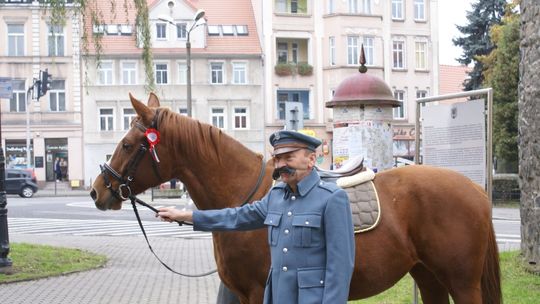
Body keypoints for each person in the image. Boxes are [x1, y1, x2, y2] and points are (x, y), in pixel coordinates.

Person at [157, 130, 355, 304]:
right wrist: (186, 216)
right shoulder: (276, 196)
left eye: (288, 157)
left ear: (311, 159)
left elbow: (340, 267)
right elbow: (236, 217)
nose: (281, 164)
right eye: (277, 159)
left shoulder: (331, 199)